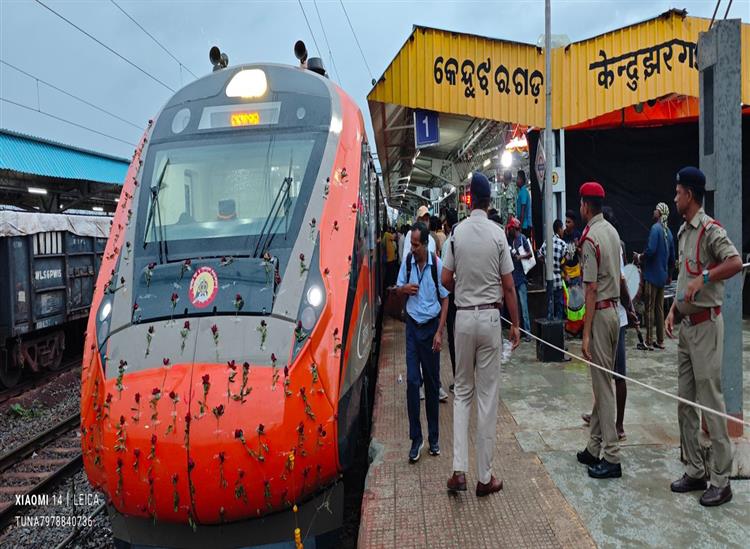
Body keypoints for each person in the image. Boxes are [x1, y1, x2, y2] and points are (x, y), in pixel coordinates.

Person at [666, 167, 742, 507]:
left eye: (679, 192)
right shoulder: (683, 231)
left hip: (708, 327)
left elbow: (736, 263)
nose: (675, 197)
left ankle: (721, 480)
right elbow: (685, 279)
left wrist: (706, 278)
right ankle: (696, 470)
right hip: (686, 325)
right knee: (685, 401)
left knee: (711, 401)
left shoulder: (710, 230)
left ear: (691, 196)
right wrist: (674, 310)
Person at [442, 172, 520, 497]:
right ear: (490, 201)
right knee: (487, 399)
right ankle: (485, 477)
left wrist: (463, 286)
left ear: (470, 198)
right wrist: (515, 324)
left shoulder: (456, 235)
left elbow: (445, 279)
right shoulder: (499, 235)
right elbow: (510, 286)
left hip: (462, 319)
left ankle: (458, 470)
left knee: (462, 393)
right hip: (490, 318)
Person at [575, 181, 623, 479]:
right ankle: (593, 447)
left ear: (585, 205)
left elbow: (591, 290)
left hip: (602, 314)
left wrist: (586, 332)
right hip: (614, 313)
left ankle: (613, 457)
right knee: (602, 383)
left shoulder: (590, 238)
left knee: (603, 388)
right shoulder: (612, 232)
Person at [396, 222, 450, 462]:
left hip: (430, 331)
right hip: (412, 328)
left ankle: (434, 439)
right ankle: (416, 439)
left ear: (426, 244)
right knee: (411, 382)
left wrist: (439, 332)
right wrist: (404, 289)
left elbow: (446, 300)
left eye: (416, 245)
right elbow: (397, 289)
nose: (413, 249)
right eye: (412, 245)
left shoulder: (437, 266)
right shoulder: (407, 263)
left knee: (431, 385)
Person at [635, 203, 675, 350]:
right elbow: (672, 258)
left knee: (649, 308)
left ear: (660, 213)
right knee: (659, 309)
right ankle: (660, 340)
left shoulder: (655, 229)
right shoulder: (668, 232)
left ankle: (649, 341)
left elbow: (651, 250)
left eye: (656, 209)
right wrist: (669, 275)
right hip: (662, 277)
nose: (654, 211)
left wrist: (640, 257)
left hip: (652, 275)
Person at [442, 209, 459, 393]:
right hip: (470, 296)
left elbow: (445, 278)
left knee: (454, 339)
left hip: (453, 295)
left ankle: (458, 379)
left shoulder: (449, 243)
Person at [506, 217, 532, 341]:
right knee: (516, 307)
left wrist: (520, 257)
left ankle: (527, 333)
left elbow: (530, 253)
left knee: (524, 306)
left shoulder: (522, 239)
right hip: (512, 277)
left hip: (520, 278)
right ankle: (518, 331)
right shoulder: (508, 241)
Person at [538, 219, 566, 320]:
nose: (563, 230)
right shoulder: (562, 244)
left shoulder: (547, 242)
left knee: (550, 302)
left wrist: (546, 262)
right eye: (562, 228)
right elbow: (566, 258)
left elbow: (539, 255)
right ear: (559, 229)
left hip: (549, 278)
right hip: (558, 278)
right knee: (559, 303)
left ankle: (550, 321)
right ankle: (558, 325)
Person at [562, 210, 582, 287]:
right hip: (565, 272)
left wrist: (577, 247)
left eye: (569, 222)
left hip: (576, 272)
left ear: (573, 223)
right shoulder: (562, 235)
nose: (566, 224)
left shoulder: (577, 235)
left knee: (576, 297)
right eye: (566, 221)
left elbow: (582, 254)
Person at [515, 170, 532, 238]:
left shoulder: (523, 192)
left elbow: (523, 210)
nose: (516, 181)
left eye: (517, 178)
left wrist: (520, 226)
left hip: (525, 225)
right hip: (523, 224)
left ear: (521, 180)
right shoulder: (521, 191)